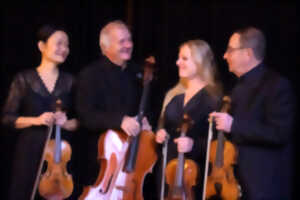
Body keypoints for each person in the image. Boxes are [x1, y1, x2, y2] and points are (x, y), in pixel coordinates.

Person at [210, 26, 296, 200]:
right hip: (234, 186)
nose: (225, 55)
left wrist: (233, 125)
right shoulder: (235, 88)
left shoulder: (277, 85)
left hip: (262, 188)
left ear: (248, 53)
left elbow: (279, 133)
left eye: (230, 50)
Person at [75, 20, 152, 198]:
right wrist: (120, 121)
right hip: (101, 163)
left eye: (129, 40)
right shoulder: (89, 75)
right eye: (122, 41)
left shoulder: (139, 73)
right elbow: (86, 116)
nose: (128, 45)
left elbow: (148, 109)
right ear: (105, 47)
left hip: (134, 159)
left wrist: (147, 121)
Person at [1, 24, 79, 200]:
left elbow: (81, 121)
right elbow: (7, 117)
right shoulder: (24, 78)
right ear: (42, 46)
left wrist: (65, 122)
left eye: (67, 45)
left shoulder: (71, 81)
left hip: (60, 156)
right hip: (29, 150)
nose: (64, 49)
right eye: (59, 43)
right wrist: (37, 120)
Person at [155, 39, 221, 199]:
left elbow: (219, 145)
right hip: (167, 175)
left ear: (199, 62)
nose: (178, 62)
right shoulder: (175, 99)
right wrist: (160, 135)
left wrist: (194, 145)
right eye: (179, 58)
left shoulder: (212, 100)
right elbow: (164, 128)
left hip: (192, 179)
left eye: (184, 58)